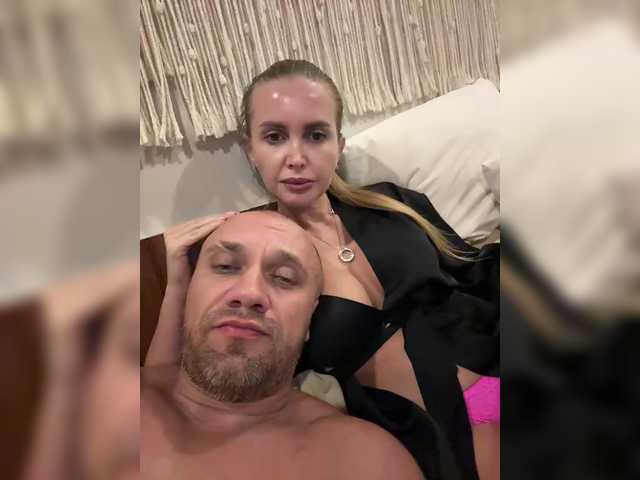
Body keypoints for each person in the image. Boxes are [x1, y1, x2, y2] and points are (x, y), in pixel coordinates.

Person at [146, 60, 500, 480]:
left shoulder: (392, 204)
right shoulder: (259, 258)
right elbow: (165, 385)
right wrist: (176, 281)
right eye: (275, 137)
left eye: (316, 135)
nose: (296, 158)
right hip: (427, 433)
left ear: (339, 144)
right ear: (250, 150)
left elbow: (470, 268)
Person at [141, 211, 424, 480]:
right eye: (225, 266)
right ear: (188, 293)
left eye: (284, 278)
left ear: (309, 320)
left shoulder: (362, 460)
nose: (249, 293)